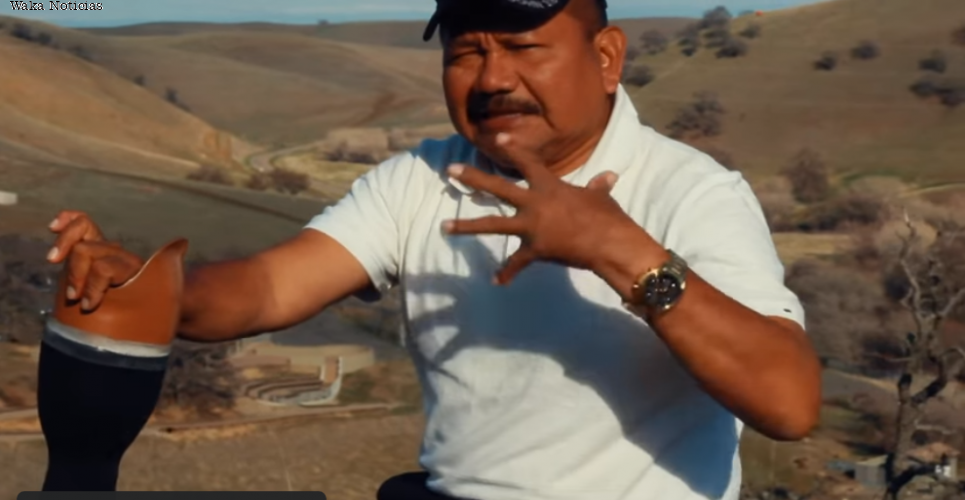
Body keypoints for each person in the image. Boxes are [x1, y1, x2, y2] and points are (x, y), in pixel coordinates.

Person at [45, 0, 822, 498]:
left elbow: (788, 403)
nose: (492, 79)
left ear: (606, 57)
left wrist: (618, 250)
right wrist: (153, 287)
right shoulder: (422, 177)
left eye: (523, 46)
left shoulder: (692, 192)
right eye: (464, 53)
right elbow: (268, 288)